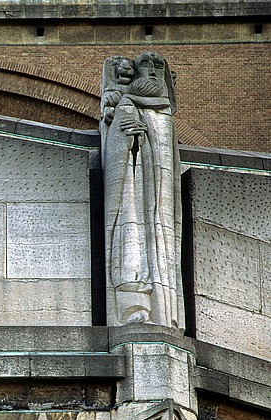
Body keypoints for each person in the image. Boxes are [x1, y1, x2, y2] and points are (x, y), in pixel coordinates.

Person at [100, 52, 185, 331]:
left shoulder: (164, 115)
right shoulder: (127, 104)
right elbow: (114, 150)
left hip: (162, 204)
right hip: (134, 192)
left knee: (163, 249)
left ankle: (166, 314)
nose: (151, 73)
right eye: (145, 67)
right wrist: (127, 137)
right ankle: (134, 307)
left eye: (157, 68)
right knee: (131, 246)